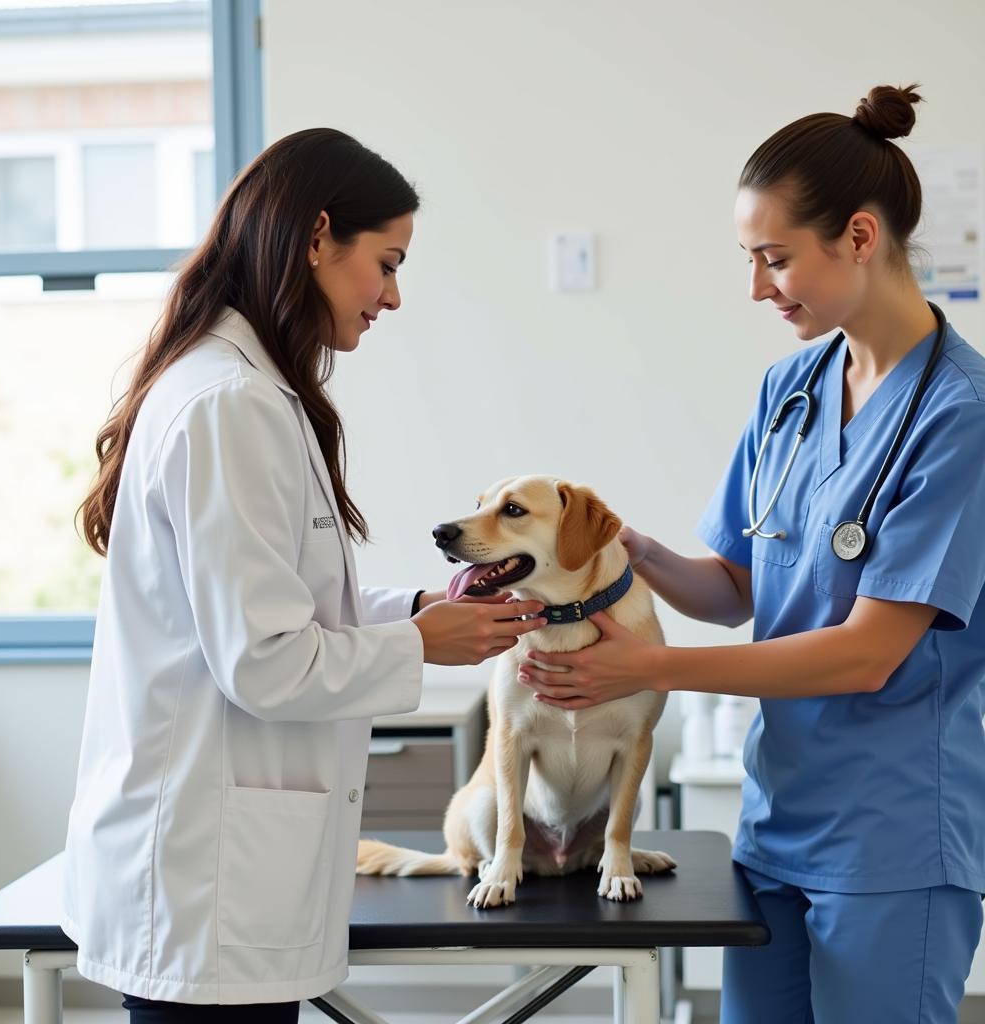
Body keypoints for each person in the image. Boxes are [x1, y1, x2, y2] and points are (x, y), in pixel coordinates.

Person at [517, 85, 985, 1023]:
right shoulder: (791, 388)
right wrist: (622, 550)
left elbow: (866, 652)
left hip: (890, 840)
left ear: (859, 236)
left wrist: (646, 669)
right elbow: (732, 588)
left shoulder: (959, 419)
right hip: (774, 831)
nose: (759, 289)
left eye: (775, 260)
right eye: (750, 261)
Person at [62, 128, 547, 1023]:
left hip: (225, 880)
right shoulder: (229, 404)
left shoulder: (250, 391)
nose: (393, 296)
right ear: (318, 237)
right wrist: (415, 644)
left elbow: (284, 603)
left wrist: (422, 611)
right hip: (206, 882)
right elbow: (264, 659)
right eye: (387, 263)